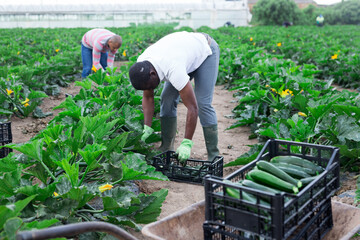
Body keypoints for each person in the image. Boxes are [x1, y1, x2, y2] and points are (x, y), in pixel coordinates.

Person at [129, 31, 220, 164]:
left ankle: (213, 155)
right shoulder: (142, 65)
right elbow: (148, 97)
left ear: (153, 73)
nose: (148, 90)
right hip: (184, 53)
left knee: (203, 104)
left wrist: (187, 142)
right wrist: (147, 126)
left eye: (149, 87)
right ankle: (166, 147)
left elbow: (192, 108)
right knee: (167, 99)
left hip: (205, 50)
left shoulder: (173, 69)